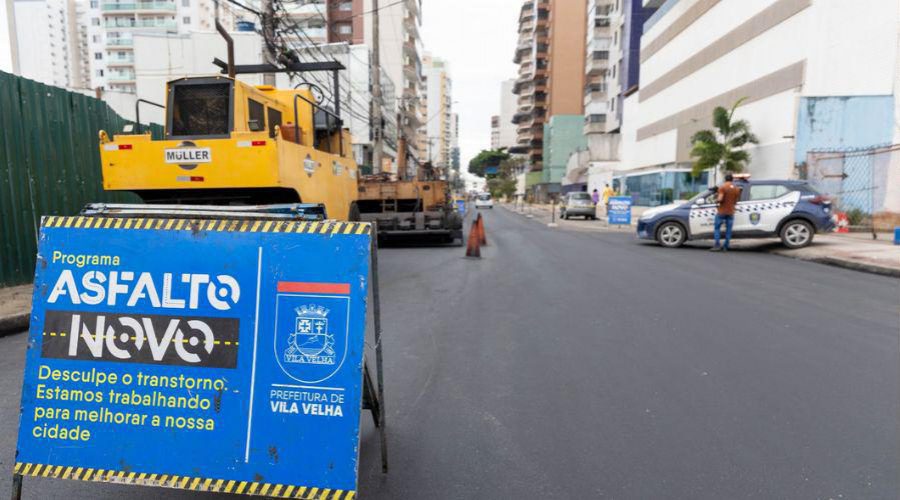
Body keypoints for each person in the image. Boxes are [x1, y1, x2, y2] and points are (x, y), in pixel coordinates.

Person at [711, 173, 742, 252]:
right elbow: (736, 201)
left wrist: (716, 200)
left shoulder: (723, 187)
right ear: (732, 179)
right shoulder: (736, 188)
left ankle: (717, 245)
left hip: (722, 211)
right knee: (729, 230)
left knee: (717, 228)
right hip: (731, 212)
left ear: (725, 179)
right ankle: (726, 246)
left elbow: (720, 199)